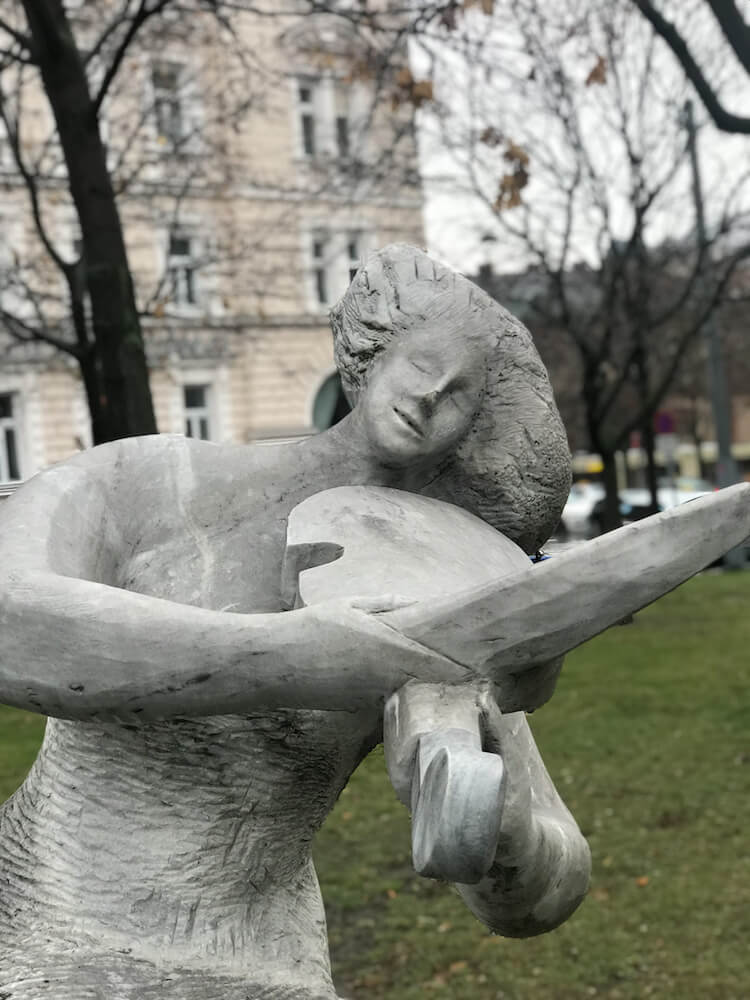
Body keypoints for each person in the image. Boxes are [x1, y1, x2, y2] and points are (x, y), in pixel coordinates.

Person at [0, 245, 588, 999]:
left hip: (257, 963)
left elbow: (547, 888)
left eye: (460, 396)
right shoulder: (153, 480)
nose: (431, 395)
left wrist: (494, 820)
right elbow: (14, 621)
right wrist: (295, 656)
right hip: (42, 915)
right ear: (374, 348)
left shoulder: (434, 581)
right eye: (422, 363)